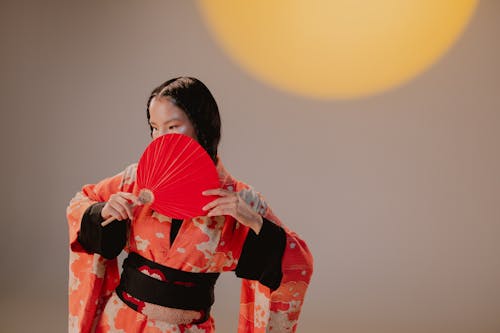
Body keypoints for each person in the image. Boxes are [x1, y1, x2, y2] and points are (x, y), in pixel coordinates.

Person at [67, 77, 313, 333]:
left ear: (200, 126)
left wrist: (255, 223)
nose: (160, 138)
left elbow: (298, 262)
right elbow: (80, 203)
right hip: (121, 323)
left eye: (172, 127)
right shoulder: (135, 179)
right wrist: (102, 212)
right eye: (154, 127)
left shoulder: (237, 198)